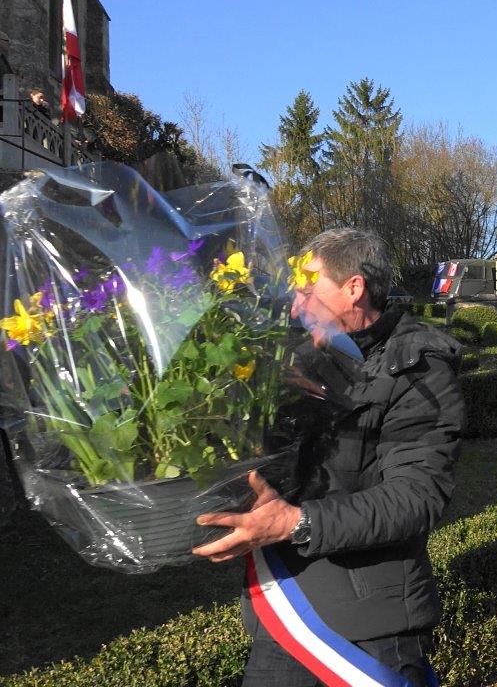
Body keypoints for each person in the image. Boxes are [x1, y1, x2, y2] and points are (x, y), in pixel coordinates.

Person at [193, 228, 463, 687]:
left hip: (370, 627)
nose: (296, 304)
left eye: (308, 287)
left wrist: (295, 523)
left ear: (353, 288)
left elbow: (416, 497)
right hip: (286, 609)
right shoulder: (293, 354)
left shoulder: (418, 367)